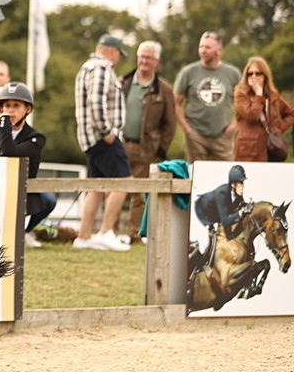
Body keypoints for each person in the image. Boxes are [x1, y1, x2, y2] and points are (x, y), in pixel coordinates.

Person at [73, 34, 130, 252]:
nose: (118, 59)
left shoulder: (86, 68)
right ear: (112, 51)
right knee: (124, 181)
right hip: (103, 137)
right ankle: (106, 231)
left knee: (96, 186)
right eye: (118, 54)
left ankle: (84, 236)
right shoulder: (101, 68)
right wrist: (107, 132)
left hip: (90, 138)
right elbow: (96, 101)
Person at [0, 82, 55, 248]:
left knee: (48, 200)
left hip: (24, 194)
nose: (11, 110)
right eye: (7, 106)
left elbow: (10, 152)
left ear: (27, 109)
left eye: (16, 106)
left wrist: (5, 128)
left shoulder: (36, 138)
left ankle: (26, 231)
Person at [119, 40, 177, 239]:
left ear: (156, 61)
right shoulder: (123, 82)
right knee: (115, 189)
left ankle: (134, 234)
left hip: (146, 149)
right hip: (121, 144)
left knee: (140, 194)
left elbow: (170, 124)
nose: (144, 61)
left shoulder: (164, 90)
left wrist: (160, 149)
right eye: (141, 56)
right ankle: (109, 232)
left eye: (148, 58)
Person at [173, 31, 242, 162]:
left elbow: (245, 104)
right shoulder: (188, 72)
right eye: (201, 47)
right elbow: (175, 103)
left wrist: (234, 127)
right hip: (196, 136)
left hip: (223, 137)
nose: (203, 51)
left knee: (227, 175)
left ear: (219, 50)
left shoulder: (233, 73)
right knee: (197, 176)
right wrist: (187, 129)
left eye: (208, 47)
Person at [192, 164, 250, 280]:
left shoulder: (237, 196)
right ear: (233, 185)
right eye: (240, 184)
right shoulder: (222, 194)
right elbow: (225, 221)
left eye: (243, 183)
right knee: (205, 243)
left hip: (213, 216)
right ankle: (194, 270)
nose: (242, 186)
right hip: (201, 213)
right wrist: (239, 213)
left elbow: (241, 207)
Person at [232, 55, 294, 162]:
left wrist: (278, 129)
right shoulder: (241, 95)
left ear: (265, 75)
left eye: (258, 73)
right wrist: (258, 95)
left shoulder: (273, 95)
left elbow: (291, 113)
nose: (254, 76)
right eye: (250, 74)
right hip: (249, 150)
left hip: (271, 148)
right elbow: (252, 115)